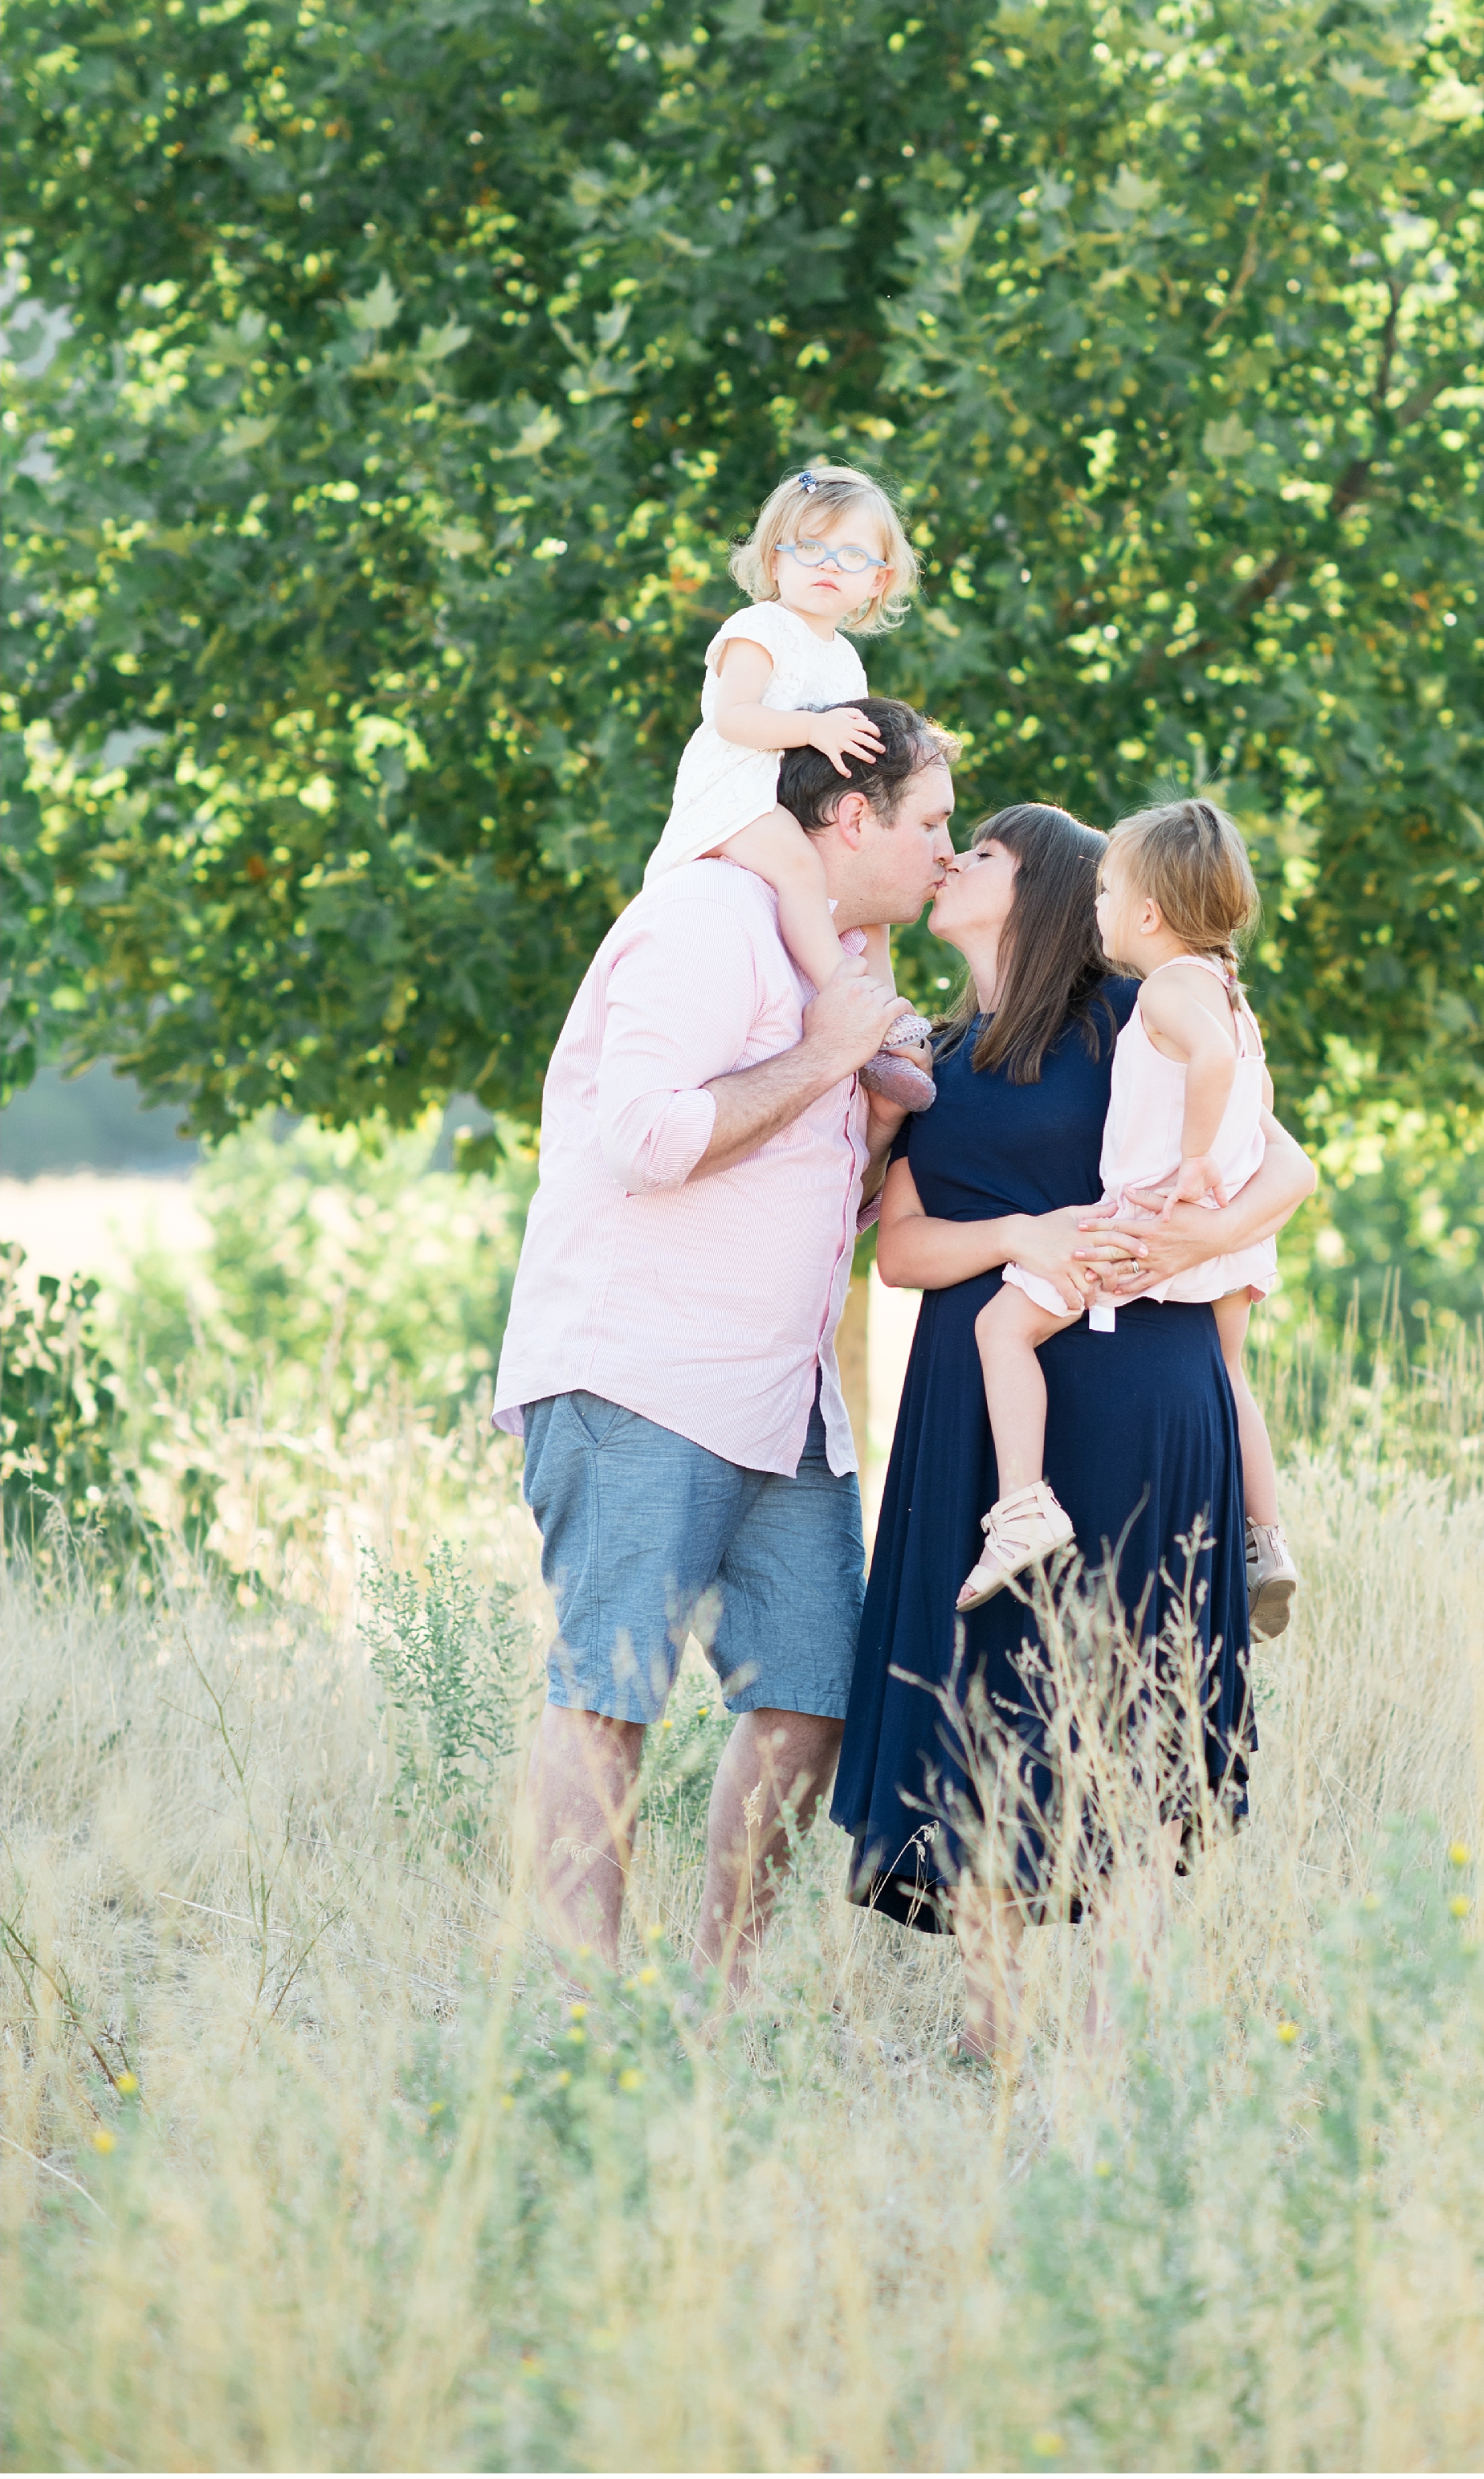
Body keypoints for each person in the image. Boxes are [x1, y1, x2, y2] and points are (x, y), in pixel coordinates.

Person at [829, 803, 1319, 2061]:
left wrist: (1195, 1238)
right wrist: (1020, 1240)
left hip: (1139, 1386)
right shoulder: (935, 1055)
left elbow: (1283, 1166)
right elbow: (906, 1252)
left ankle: (1116, 2036)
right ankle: (995, 2038)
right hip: (980, 1415)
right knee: (984, 1699)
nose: (948, 861)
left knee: (1134, 1701)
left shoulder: (1126, 1011)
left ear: (1040, 883)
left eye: (976, 850)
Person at [492, 697, 960, 1985]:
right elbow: (646, 1139)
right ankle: (579, 2016)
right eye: (933, 822)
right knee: (610, 1694)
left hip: (783, 1402)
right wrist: (824, 1057)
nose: (945, 851)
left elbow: (809, 1190)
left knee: (812, 1695)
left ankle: (712, 2004)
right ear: (852, 813)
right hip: (641, 1373)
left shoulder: (838, 963)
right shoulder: (706, 920)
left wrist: (867, 1137)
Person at [964, 798, 1300, 1637]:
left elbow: (1216, 1067)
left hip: (1142, 1224)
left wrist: (1188, 1157)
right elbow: (1255, 1094)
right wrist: (1216, 1167)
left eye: (1106, 890)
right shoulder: (1228, 991)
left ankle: (1022, 1509)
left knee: (1004, 1329)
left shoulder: (1161, 994)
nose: (1096, 906)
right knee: (1229, 1379)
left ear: (1147, 912)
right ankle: (1266, 1538)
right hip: (1221, 1238)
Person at [646, 460, 936, 1110]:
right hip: (738, 790)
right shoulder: (760, 629)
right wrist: (814, 730)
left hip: (796, 801)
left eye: (851, 553)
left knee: (873, 896)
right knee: (803, 872)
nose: (827, 563)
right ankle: (846, 1001)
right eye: (809, 547)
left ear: (877, 579)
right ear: (775, 560)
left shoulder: (845, 657)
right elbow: (733, 717)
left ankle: (885, 1025)